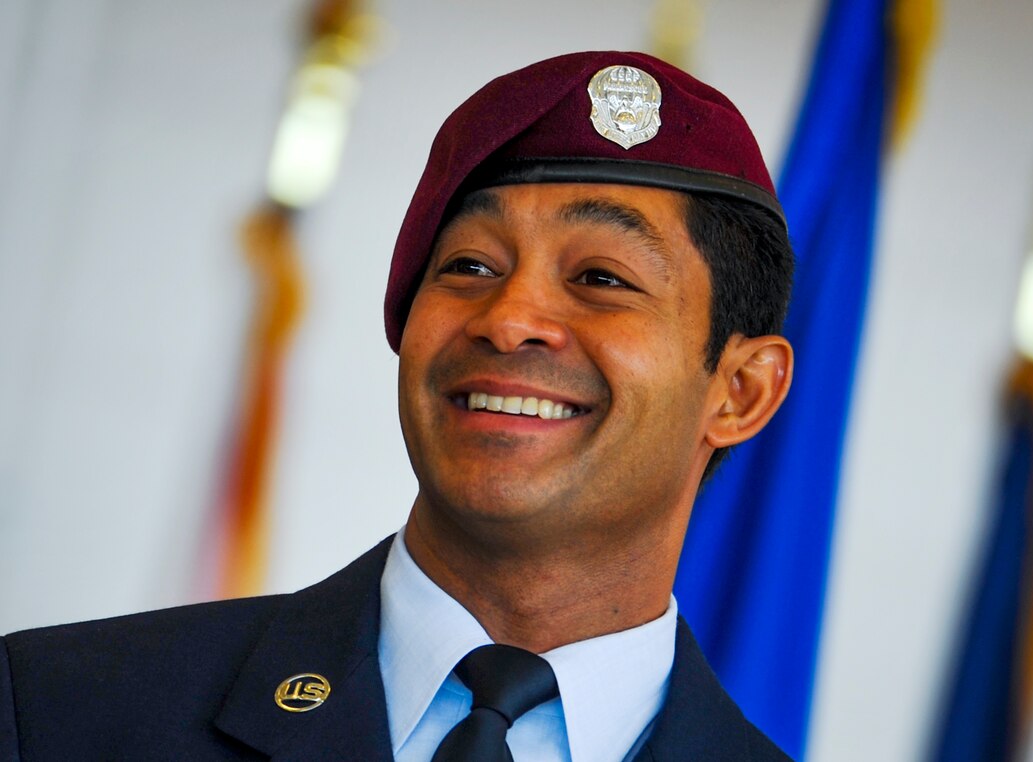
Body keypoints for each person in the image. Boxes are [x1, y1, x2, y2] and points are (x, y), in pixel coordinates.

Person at [0, 51, 795, 761]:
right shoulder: (54, 711)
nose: (508, 318)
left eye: (601, 279)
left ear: (741, 391)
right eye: (471, 266)